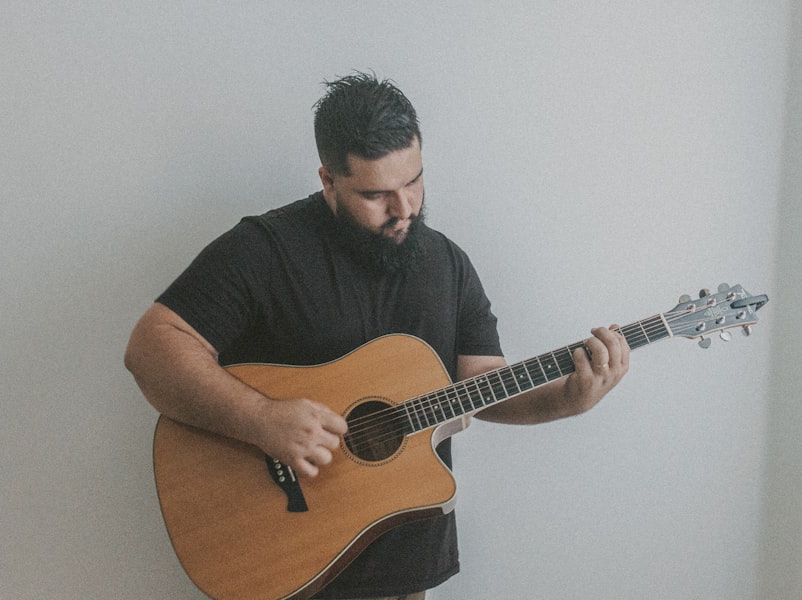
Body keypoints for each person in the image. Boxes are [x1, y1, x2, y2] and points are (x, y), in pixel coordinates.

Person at [125, 71, 630, 600]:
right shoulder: (264, 249)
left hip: (403, 565)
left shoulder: (447, 264)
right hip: (282, 556)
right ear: (328, 181)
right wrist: (262, 420)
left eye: (413, 182)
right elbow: (152, 348)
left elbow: (481, 384)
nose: (405, 208)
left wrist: (568, 399)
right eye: (376, 194)